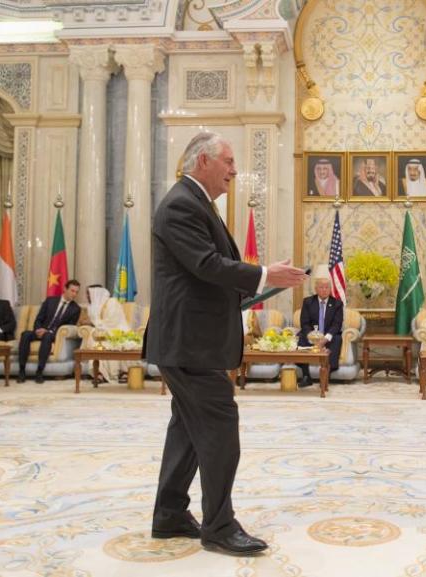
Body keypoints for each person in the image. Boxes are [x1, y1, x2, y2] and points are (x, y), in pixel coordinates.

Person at [144, 131, 307, 556]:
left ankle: (169, 514)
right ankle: (218, 525)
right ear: (203, 161)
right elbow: (205, 265)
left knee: (187, 428)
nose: (235, 171)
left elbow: (207, 274)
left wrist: (264, 282)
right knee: (218, 427)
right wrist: (264, 273)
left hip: (189, 342)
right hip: (188, 343)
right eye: (229, 162)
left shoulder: (196, 202)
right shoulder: (181, 204)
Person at [17, 279, 81, 384]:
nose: (74, 294)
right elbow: (39, 318)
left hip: (54, 334)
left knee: (47, 336)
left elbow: (70, 326)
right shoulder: (50, 301)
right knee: (25, 334)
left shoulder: (75, 309)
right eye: (72, 291)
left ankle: (39, 371)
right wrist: (38, 329)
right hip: (40, 330)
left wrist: (49, 332)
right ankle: (22, 370)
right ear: (65, 289)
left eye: (76, 292)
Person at [297, 265, 344, 387]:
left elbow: (337, 324)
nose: (324, 290)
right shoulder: (308, 302)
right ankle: (306, 376)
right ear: (316, 289)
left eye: (327, 287)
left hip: (328, 335)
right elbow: (304, 323)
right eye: (321, 287)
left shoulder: (337, 303)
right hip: (312, 335)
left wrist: (325, 338)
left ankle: (326, 375)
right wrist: (313, 337)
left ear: (330, 289)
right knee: (301, 337)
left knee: (337, 339)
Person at [84, 285, 131, 383]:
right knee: (96, 343)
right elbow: (96, 322)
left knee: (114, 344)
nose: (87, 297)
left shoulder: (112, 302)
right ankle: (99, 374)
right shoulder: (93, 306)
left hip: (117, 331)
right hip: (103, 332)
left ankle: (123, 372)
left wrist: (94, 323)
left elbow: (113, 322)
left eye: (89, 294)